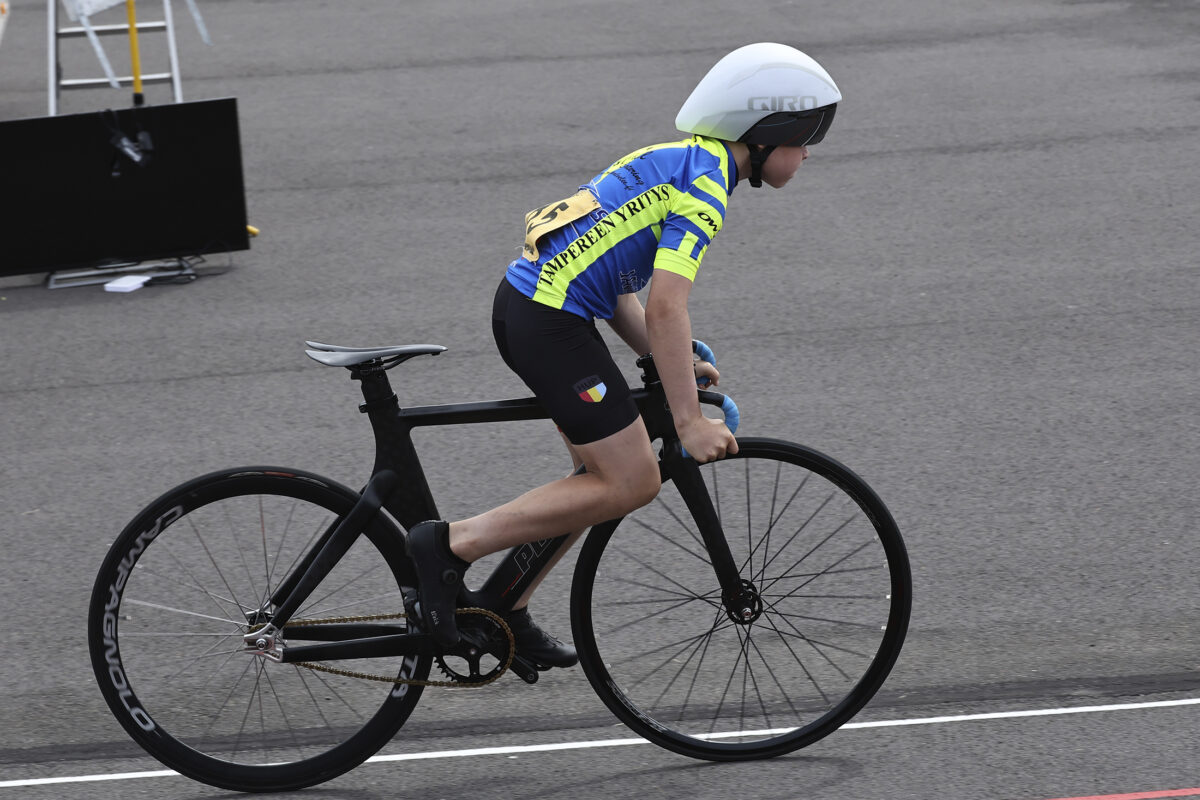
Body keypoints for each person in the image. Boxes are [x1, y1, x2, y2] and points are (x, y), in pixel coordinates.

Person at [407, 42, 842, 666]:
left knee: (599, 480)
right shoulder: (705, 191)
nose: (805, 157)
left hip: (534, 311)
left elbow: (612, 285)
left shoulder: (671, 160)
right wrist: (689, 420)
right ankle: (450, 545)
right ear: (770, 134)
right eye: (805, 143)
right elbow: (667, 306)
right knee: (632, 481)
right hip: (550, 324)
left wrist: (672, 363)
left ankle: (506, 603)